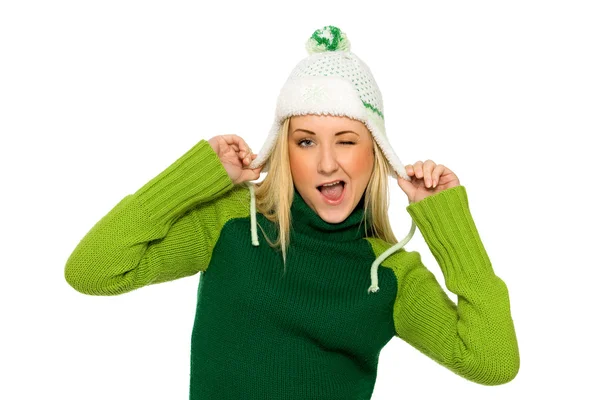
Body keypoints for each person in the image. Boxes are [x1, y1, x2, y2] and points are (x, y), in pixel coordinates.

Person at [65, 25, 519, 399]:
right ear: (283, 150)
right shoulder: (230, 225)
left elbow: (492, 363)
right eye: (306, 141)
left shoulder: (391, 274)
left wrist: (448, 222)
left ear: (376, 154)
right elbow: (92, 270)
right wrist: (196, 175)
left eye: (346, 140)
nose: (326, 162)